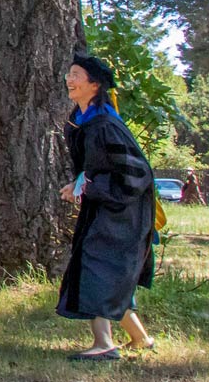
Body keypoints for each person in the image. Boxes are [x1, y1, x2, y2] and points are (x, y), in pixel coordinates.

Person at [58, 53, 157, 361]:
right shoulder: (86, 119)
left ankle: (104, 344)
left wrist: (87, 187)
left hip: (122, 211)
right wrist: (80, 184)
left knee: (95, 269)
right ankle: (140, 338)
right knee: (109, 273)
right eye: (69, 74)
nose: (69, 79)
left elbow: (136, 173)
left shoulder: (105, 124)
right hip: (106, 207)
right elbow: (96, 167)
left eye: (77, 75)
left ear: (95, 84)